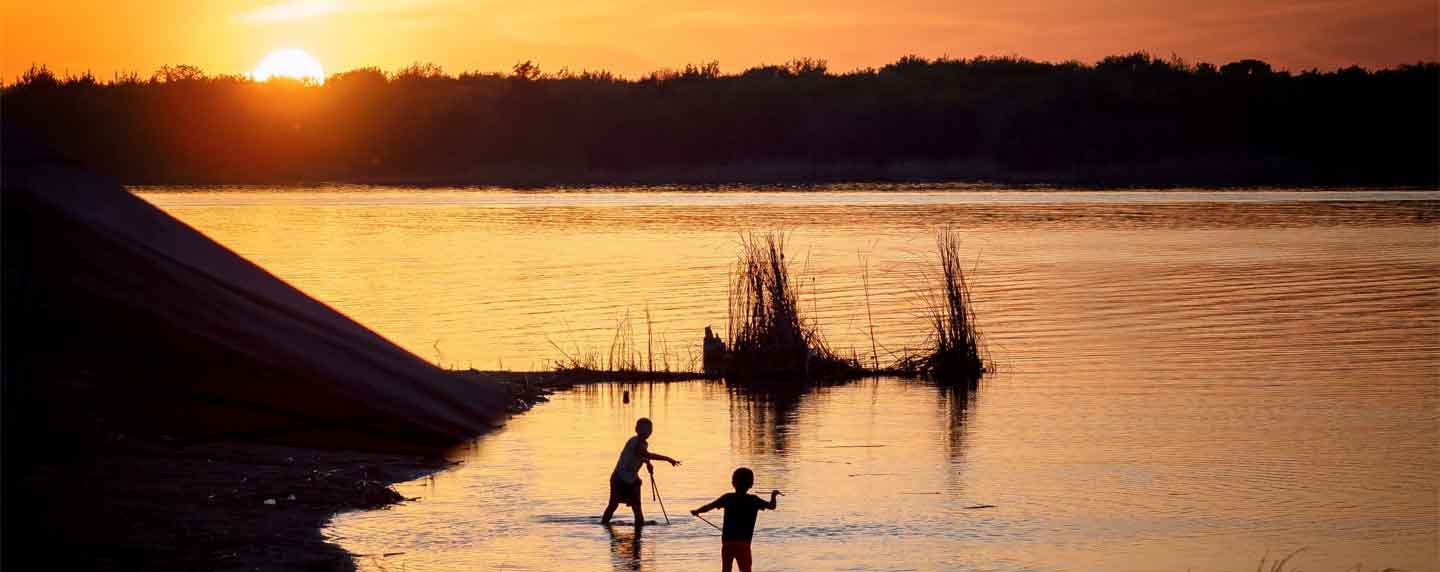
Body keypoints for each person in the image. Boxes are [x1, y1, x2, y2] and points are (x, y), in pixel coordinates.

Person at [691, 467, 779, 572]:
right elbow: (772, 506)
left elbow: (710, 506)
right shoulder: (753, 500)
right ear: (751, 484)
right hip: (744, 543)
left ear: (733, 483)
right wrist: (773, 495)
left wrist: (697, 511)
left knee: (726, 570)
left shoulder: (727, 498)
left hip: (727, 543)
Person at [601, 417, 681, 529]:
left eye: (648, 430)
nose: (645, 433)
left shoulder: (643, 443)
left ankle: (639, 533)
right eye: (643, 430)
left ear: (650, 432)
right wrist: (667, 459)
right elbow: (644, 453)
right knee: (613, 505)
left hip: (632, 479)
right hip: (619, 478)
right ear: (636, 430)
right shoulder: (634, 441)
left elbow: (641, 455)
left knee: (637, 507)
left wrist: (648, 463)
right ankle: (604, 525)